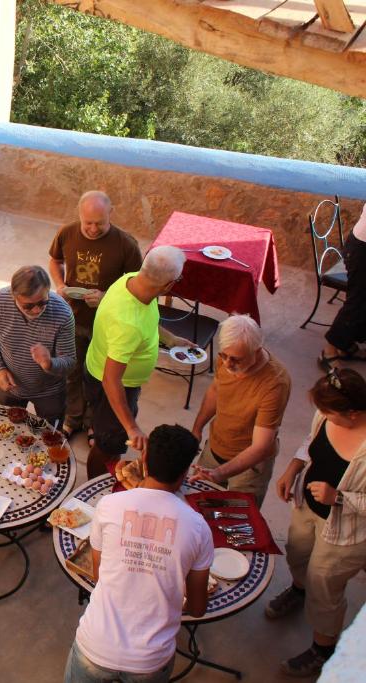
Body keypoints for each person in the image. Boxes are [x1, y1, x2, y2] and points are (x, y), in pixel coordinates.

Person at [65, 425, 213, 683]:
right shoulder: (198, 527)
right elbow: (198, 608)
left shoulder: (109, 505)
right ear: (185, 472)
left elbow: (99, 574)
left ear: (143, 460)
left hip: (95, 647)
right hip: (151, 660)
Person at [265, 368, 366, 677]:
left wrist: (338, 497)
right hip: (307, 506)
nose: (322, 416)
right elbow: (311, 440)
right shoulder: (326, 416)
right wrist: (293, 468)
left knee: (324, 584)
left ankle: (322, 649)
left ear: (354, 413)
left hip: (344, 532)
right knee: (297, 551)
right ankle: (298, 589)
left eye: (330, 413)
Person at [83, 246, 191, 479]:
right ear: (168, 286)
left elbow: (146, 320)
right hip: (111, 384)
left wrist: (170, 338)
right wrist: (132, 427)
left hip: (108, 369)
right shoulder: (128, 325)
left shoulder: (131, 280)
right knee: (108, 444)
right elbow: (111, 381)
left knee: (109, 433)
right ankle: (94, 487)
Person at [49, 191, 143, 439]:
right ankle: (73, 418)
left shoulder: (126, 245)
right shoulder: (67, 233)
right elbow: (54, 260)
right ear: (79, 215)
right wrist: (59, 285)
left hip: (107, 325)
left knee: (99, 377)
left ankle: (93, 423)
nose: (91, 229)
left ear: (110, 214)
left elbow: (136, 288)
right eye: (87, 222)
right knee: (73, 372)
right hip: (73, 318)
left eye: (99, 223)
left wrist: (107, 298)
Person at [189, 315, 291, 506]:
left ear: (257, 351)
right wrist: (197, 429)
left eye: (236, 359)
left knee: (238, 518)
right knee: (196, 506)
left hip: (249, 469)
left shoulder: (275, 383)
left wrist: (219, 473)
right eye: (223, 356)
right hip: (215, 449)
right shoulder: (228, 357)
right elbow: (215, 391)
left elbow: (261, 447)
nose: (227, 364)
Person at [0, 265, 76, 425]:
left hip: (50, 391)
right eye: (28, 306)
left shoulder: (63, 314)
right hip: (11, 386)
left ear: (48, 290)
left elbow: (70, 362)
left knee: (50, 436)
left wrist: (49, 363)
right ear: (13, 295)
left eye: (42, 302)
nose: (37, 310)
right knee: (9, 430)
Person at [321, 209, 366, 365]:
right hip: (362, 249)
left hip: (360, 245)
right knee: (358, 302)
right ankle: (329, 351)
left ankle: (346, 343)